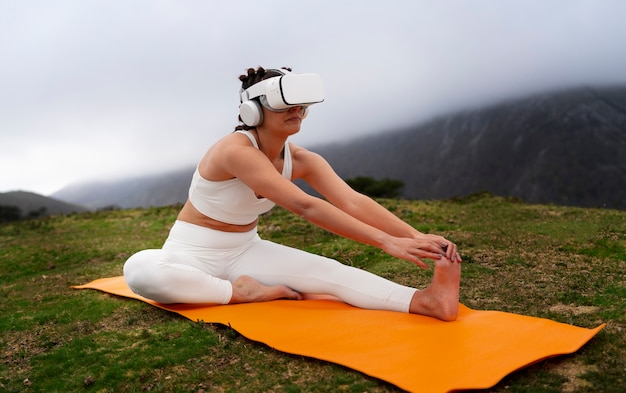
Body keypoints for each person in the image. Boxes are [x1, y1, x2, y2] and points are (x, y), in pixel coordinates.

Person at [123, 66, 462, 321]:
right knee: (140, 270)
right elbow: (305, 205)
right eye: (283, 104)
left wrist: (418, 237)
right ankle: (239, 293)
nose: (296, 110)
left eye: (299, 104)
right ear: (253, 111)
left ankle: (428, 302)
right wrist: (387, 242)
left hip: (246, 251)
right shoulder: (234, 151)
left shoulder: (301, 160)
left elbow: (352, 201)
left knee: (333, 273)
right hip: (191, 252)